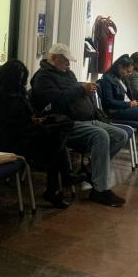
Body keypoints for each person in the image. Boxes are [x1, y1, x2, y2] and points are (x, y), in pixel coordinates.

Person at [30, 43, 128, 207]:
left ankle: (90, 171)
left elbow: (75, 92)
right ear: (54, 58)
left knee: (120, 135)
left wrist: (86, 90)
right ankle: (100, 189)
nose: (68, 64)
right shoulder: (43, 78)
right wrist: (81, 90)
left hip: (86, 118)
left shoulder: (68, 74)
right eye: (65, 60)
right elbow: (56, 102)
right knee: (101, 136)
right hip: (66, 123)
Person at [0, 59, 84, 209]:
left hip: (25, 134)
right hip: (12, 142)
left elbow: (22, 117)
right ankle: (61, 180)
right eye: (20, 80)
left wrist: (34, 120)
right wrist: (32, 123)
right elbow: (9, 125)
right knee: (55, 142)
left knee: (57, 136)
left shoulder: (16, 93)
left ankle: (57, 185)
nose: (22, 84)